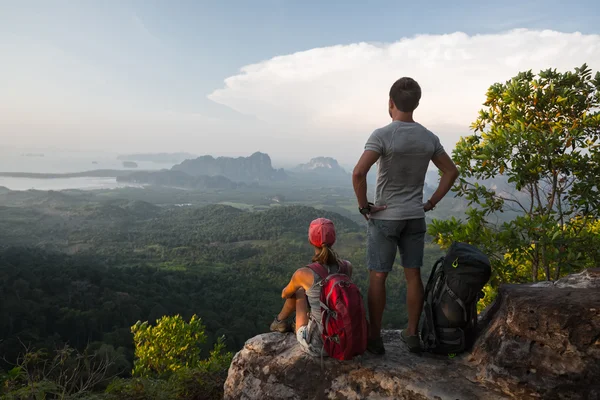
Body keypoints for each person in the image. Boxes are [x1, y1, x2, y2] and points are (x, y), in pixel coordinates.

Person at [352, 77, 459, 354]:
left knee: (378, 277)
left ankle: (375, 337)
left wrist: (364, 206)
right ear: (417, 103)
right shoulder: (428, 137)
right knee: (413, 275)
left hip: (386, 217)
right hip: (414, 216)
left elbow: (358, 173)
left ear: (390, 103)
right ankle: (412, 334)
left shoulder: (382, 135)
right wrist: (431, 202)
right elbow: (451, 171)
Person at [270, 218, 353, 357]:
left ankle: (279, 322)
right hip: (344, 338)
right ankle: (282, 322)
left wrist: (299, 286)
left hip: (319, 345)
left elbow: (285, 294)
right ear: (334, 240)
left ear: (310, 241)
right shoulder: (347, 267)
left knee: (299, 291)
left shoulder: (304, 273)